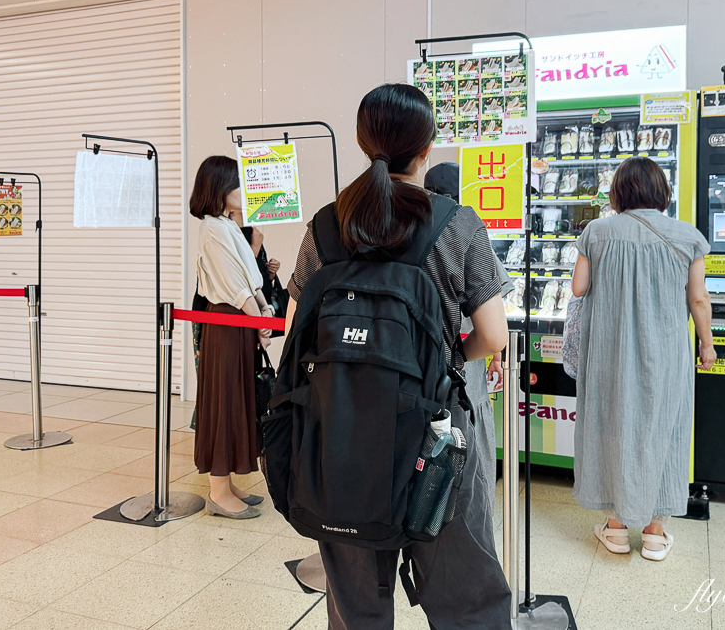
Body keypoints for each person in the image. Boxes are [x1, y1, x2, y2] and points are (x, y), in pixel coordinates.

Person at [288, 84, 512, 629]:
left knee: (355, 598)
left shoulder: (325, 225)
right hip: (436, 434)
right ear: (426, 147)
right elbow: (494, 334)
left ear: (366, 144)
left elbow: (299, 333)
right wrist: (446, 357)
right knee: (465, 589)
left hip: (343, 432)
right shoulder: (455, 222)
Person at [570, 156, 716, 561]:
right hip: (667, 353)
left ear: (618, 192)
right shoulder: (688, 236)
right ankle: (655, 531)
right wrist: (706, 343)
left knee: (609, 426)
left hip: (609, 351)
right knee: (664, 429)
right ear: (662, 192)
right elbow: (699, 299)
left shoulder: (597, 232)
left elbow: (579, 288)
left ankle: (614, 527)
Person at [423, 160, 513, 512]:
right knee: (471, 445)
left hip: (414, 371)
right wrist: (495, 358)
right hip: (464, 366)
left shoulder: (403, 230)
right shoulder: (465, 229)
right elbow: (493, 329)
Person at [188, 155, 274, 520]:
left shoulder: (224, 225)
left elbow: (249, 279)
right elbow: (234, 288)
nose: (246, 192)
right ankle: (218, 491)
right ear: (221, 190)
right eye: (239, 185)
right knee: (224, 402)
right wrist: (260, 322)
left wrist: (263, 312)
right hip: (227, 325)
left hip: (238, 323)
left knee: (236, 398)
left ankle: (226, 484)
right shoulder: (212, 228)